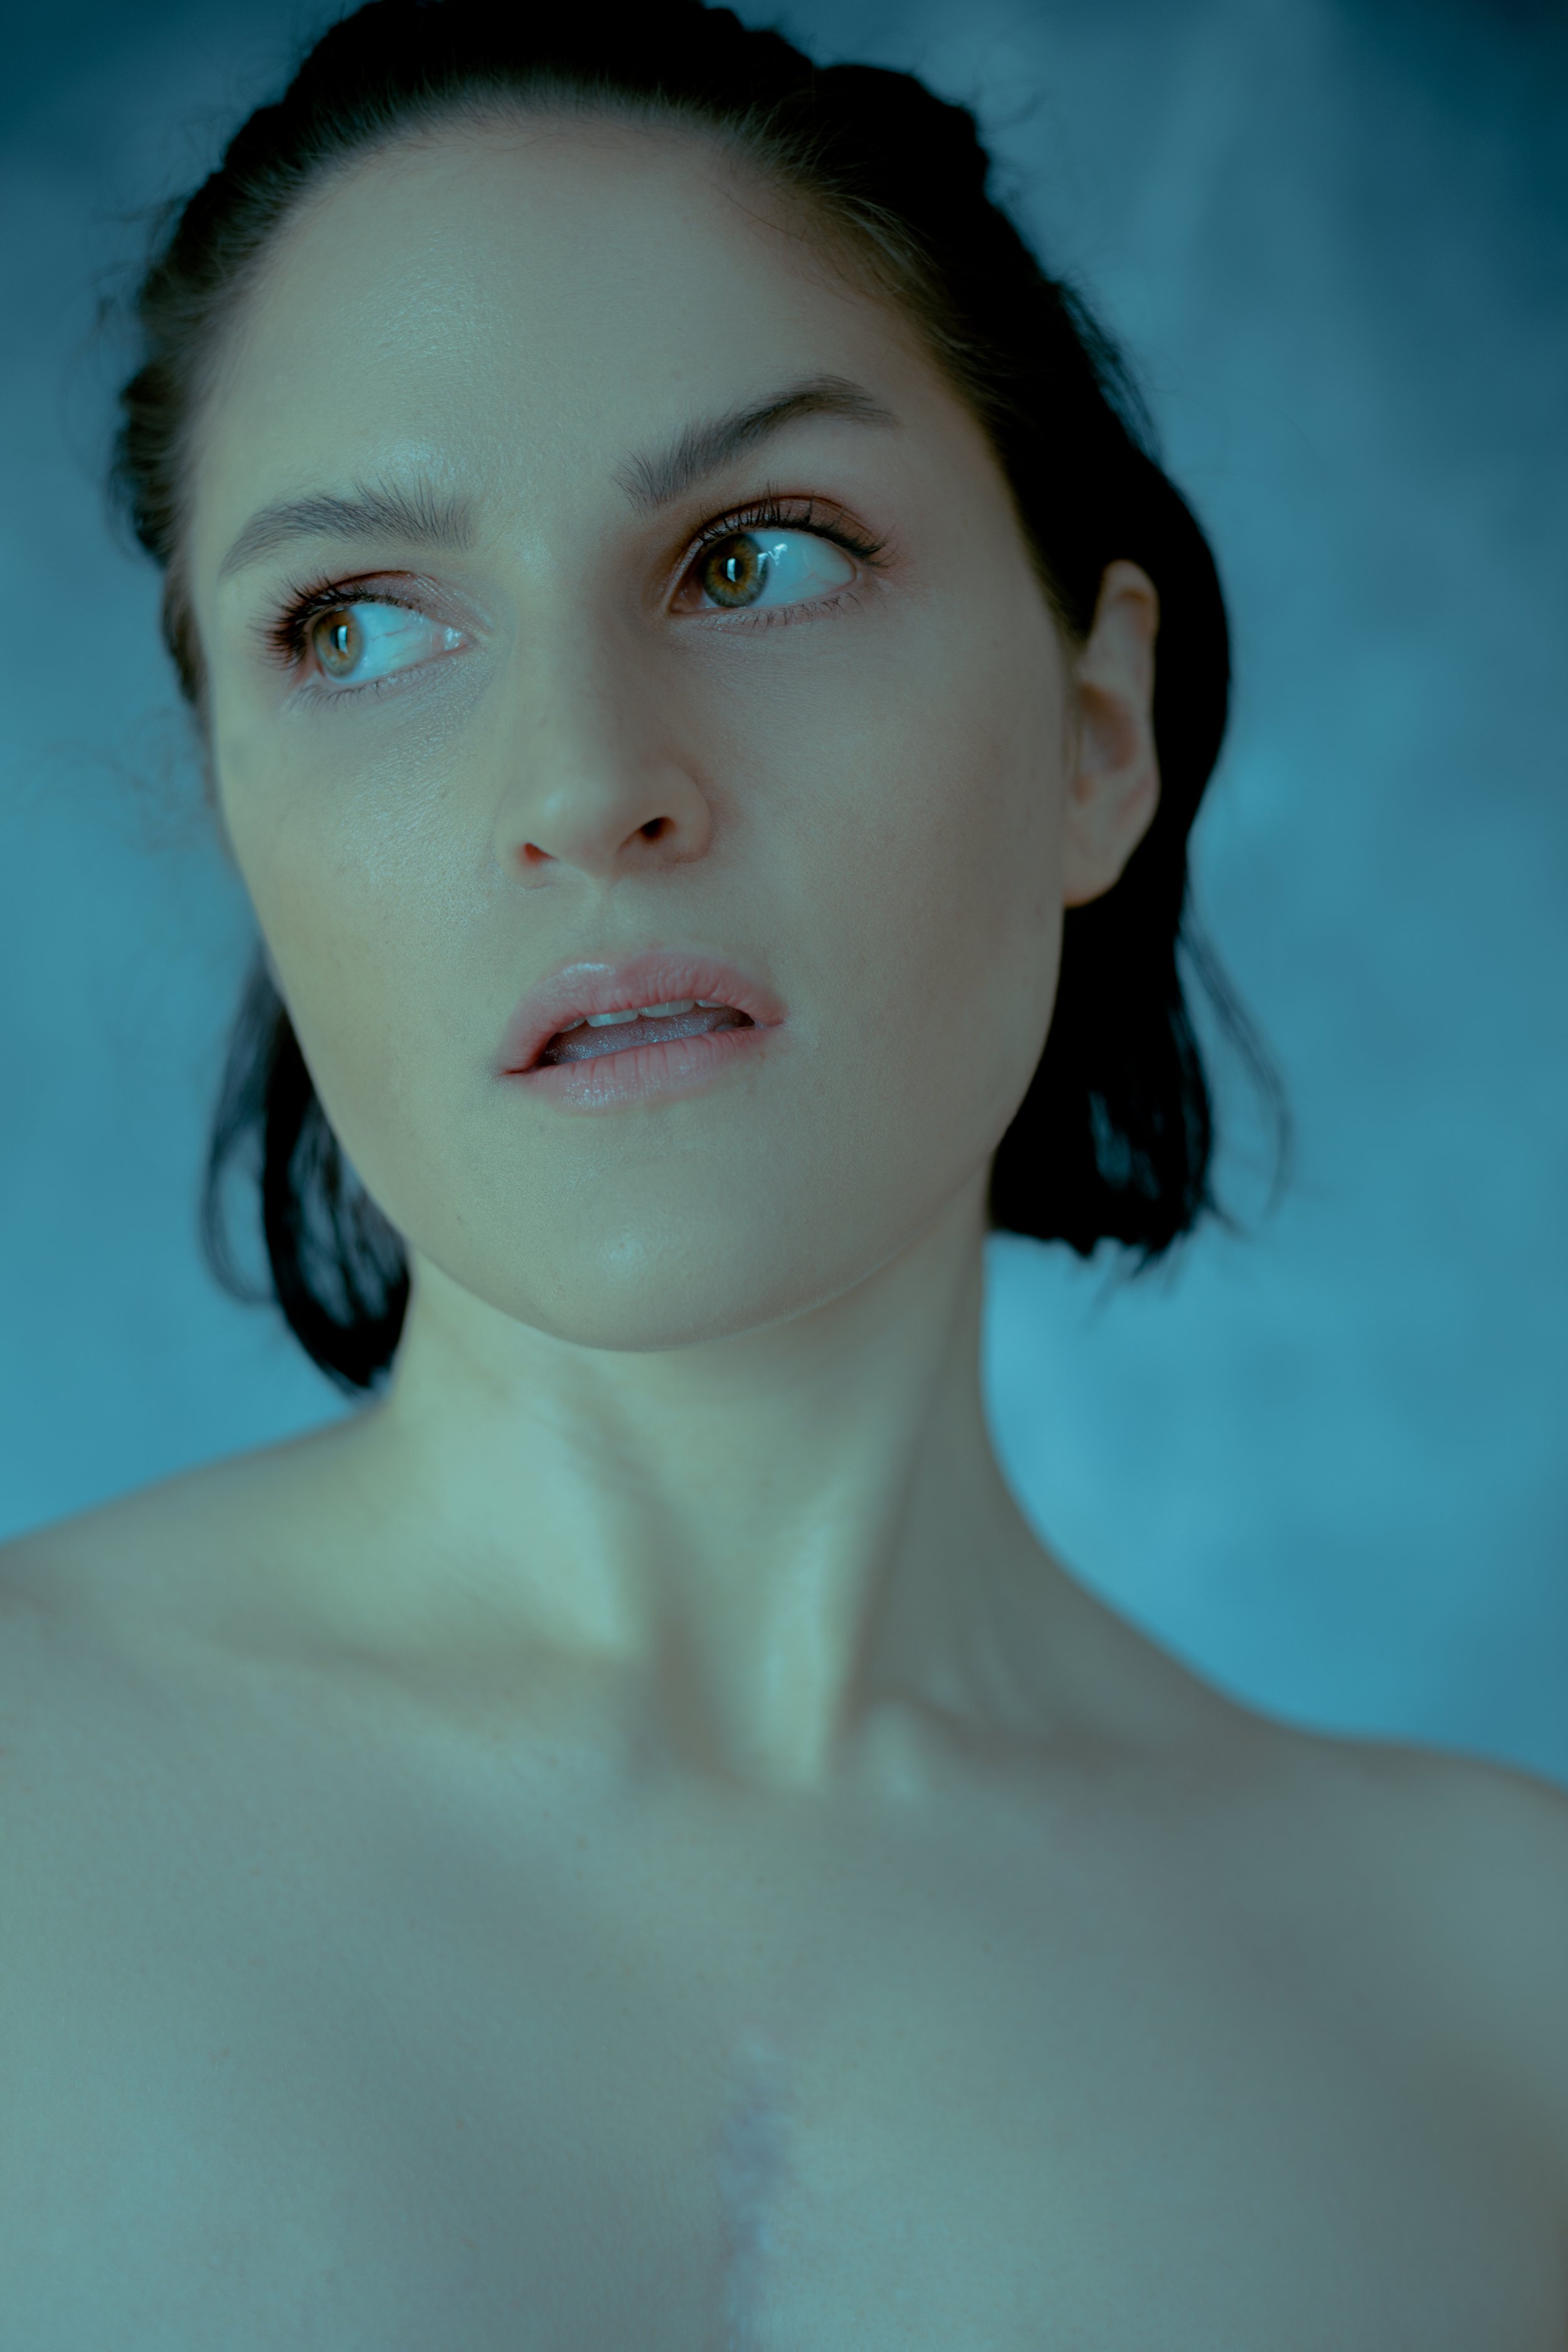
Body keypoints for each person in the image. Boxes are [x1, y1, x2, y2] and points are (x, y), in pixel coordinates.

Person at [2, 3, 1565, 2343]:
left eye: (754, 559)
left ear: (1095, 731)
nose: (582, 782)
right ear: (237, 798)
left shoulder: (1513, 2006)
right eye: (358, 623)